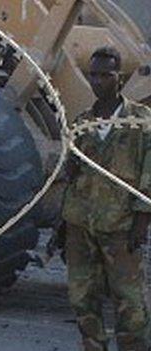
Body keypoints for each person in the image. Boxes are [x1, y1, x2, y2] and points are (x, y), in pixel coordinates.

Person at [61, 46, 151, 351]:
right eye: (94, 75)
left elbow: (148, 175)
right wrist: (63, 227)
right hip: (81, 225)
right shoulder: (82, 123)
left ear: (119, 77)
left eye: (106, 75)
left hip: (121, 226)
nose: (98, 81)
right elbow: (70, 179)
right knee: (82, 297)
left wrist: (142, 221)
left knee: (130, 301)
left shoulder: (141, 122)